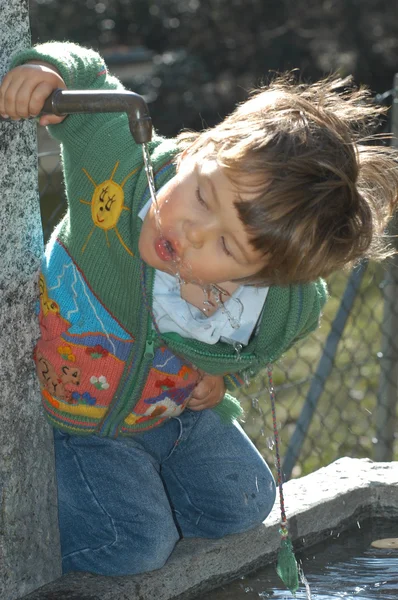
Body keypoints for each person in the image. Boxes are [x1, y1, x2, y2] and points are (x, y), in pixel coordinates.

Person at [1, 42, 397, 577]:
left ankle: (136, 485)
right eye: (204, 197)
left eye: (226, 248)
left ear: (260, 274)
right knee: (135, 545)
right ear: (197, 152)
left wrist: (225, 372)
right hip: (78, 423)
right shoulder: (120, 171)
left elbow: (294, 315)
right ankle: (32, 542)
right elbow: (94, 76)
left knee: (248, 502)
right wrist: (49, 72)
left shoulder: (272, 295)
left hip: (169, 414)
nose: (190, 232)